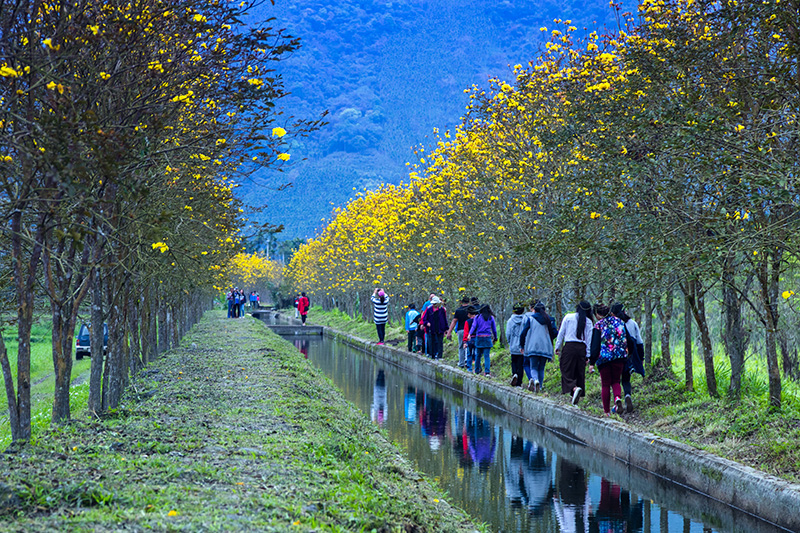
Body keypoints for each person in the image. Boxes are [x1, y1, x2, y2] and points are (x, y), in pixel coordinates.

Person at [589, 303, 629, 416]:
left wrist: (592, 362)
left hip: (604, 358)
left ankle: (606, 412)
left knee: (605, 384)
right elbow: (628, 338)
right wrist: (627, 353)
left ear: (598, 314)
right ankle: (617, 398)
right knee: (616, 381)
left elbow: (595, 345)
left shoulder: (598, 325)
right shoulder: (620, 322)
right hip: (619, 356)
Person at [554, 301, 594, 405]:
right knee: (579, 372)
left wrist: (557, 346)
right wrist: (588, 356)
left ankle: (574, 388)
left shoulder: (568, 317)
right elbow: (589, 340)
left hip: (569, 347)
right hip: (582, 348)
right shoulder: (589, 322)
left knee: (565, 369)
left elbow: (561, 333)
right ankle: (575, 398)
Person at [611, 303, 645, 413]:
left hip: (616, 354)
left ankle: (617, 400)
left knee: (615, 380)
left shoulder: (613, 324)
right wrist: (641, 357)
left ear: (613, 314)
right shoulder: (632, 323)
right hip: (629, 354)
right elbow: (639, 342)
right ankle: (627, 395)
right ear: (624, 312)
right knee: (626, 379)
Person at [519, 301, 558, 392]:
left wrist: (522, 345)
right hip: (546, 347)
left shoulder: (531, 319)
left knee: (533, 367)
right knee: (541, 367)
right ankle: (539, 386)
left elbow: (523, 333)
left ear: (535, 311)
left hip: (533, 346)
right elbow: (555, 333)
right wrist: (548, 338)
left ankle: (535, 380)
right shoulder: (550, 320)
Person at [468, 304, 497, 377]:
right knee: (486, 356)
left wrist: (469, 334)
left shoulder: (477, 317)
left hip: (479, 337)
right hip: (487, 338)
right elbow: (494, 329)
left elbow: (473, 326)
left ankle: (476, 370)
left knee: (478, 355)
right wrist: (495, 337)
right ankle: (487, 372)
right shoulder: (491, 318)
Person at [505, 303, 527, 387]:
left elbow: (508, 334)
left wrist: (510, 342)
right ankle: (519, 383)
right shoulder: (525, 320)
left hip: (513, 346)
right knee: (521, 365)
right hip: (522, 347)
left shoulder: (510, 321)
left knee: (513, 362)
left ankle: (514, 374)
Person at [447, 297, 472, 368]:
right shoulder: (471, 309)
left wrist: (449, 331)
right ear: (469, 301)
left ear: (461, 302)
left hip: (461, 329)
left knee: (461, 346)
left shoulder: (458, 310)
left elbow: (454, 321)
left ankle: (461, 363)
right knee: (470, 346)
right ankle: (468, 362)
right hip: (471, 330)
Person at [462, 306, 478, 372]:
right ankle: (477, 368)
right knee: (477, 354)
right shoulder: (478, 320)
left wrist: (464, 341)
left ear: (469, 314)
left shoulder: (467, 322)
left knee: (469, 354)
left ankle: (469, 368)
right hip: (477, 338)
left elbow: (466, 332)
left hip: (469, 339)